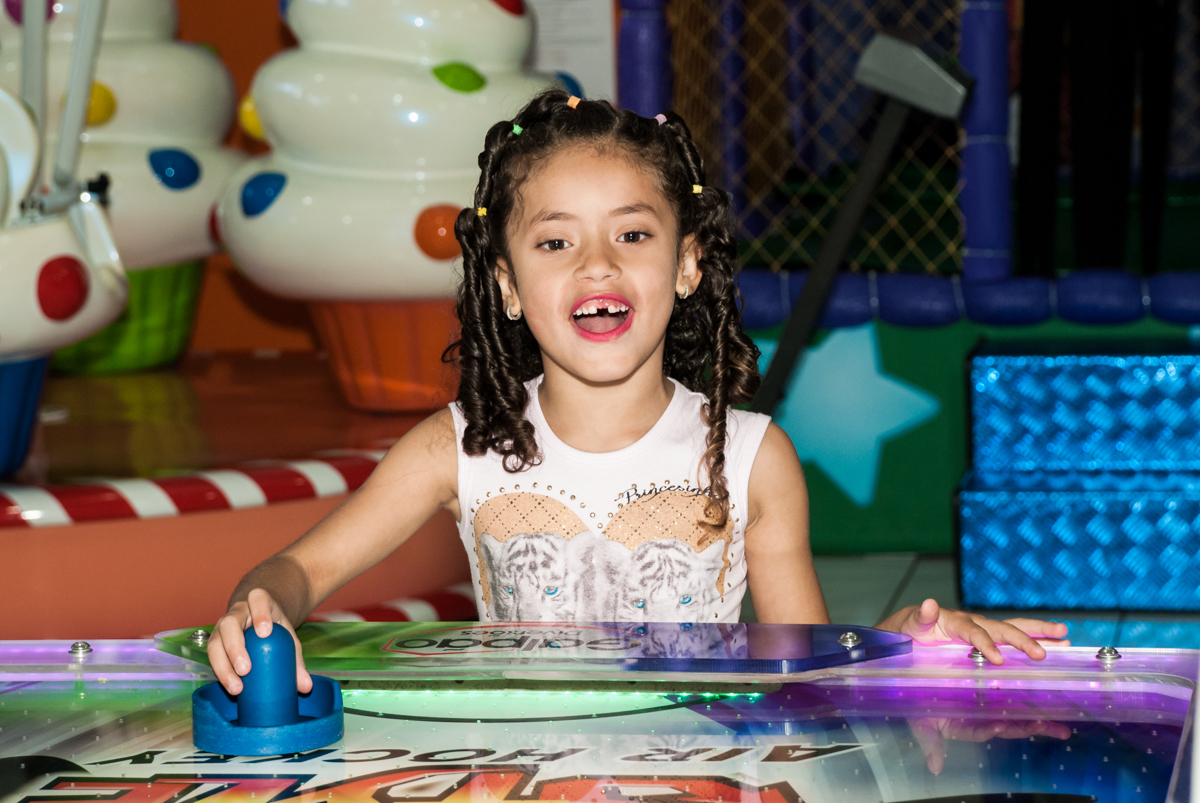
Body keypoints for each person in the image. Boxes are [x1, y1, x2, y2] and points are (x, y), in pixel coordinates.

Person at [207, 89, 1068, 695]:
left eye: (631, 232)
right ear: (505, 284)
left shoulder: (752, 456)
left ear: (686, 262)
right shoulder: (456, 447)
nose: (598, 265)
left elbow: (806, 665)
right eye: (555, 243)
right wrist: (262, 608)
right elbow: (296, 568)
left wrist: (906, 648)